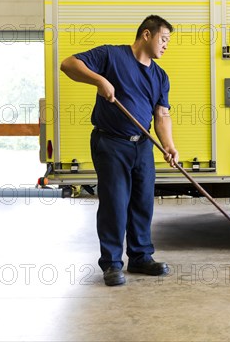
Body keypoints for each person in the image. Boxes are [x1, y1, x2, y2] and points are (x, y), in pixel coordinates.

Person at [60, 15, 179, 286]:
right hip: (111, 142)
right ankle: (112, 264)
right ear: (146, 35)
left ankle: (140, 257)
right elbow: (68, 64)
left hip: (143, 144)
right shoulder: (111, 56)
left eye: (168, 41)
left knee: (143, 202)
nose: (166, 45)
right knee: (115, 203)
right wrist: (98, 81)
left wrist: (169, 145)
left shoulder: (160, 76)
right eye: (163, 39)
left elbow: (162, 115)